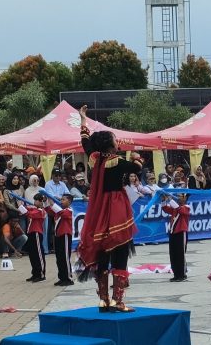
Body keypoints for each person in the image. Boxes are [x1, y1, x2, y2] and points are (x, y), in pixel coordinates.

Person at [76, 105, 143, 313]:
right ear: (110, 144)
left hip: (99, 210)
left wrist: (83, 119)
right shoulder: (117, 161)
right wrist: (137, 158)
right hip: (116, 208)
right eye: (115, 138)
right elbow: (137, 169)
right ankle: (117, 301)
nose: (117, 140)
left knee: (102, 253)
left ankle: (103, 300)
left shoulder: (95, 159)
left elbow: (85, 141)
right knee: (120, 251)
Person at [162, 192, 191, 282]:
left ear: (185, 198)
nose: (177, 197)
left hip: (181, 233)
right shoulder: (175, 208)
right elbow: (165, 209)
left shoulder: (187, 207)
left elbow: (180, 209)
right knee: (173, 254)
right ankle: (176, 274)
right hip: (173, 233)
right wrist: (163, 200)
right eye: (177, 196)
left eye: (179, 196)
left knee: (180, 254)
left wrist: (170, 199)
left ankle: (182, 274)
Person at [19, 193, 47, 282]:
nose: (35, 202)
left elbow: (29, 214)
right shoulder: (35, 209)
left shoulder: (41, 211)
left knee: (38, 254)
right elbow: (28, 209)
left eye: (36, 200)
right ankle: (35, 273)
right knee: (32, 255)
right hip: (31, 233)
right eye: (34, 200)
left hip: (37, 233)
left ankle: (41, 274)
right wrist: (21, 205)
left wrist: (21, 207)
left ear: (41, 202)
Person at [51, 194, 75, 286]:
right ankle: (62, 277)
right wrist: (48, 201)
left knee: (65, 257)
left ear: (69, 201)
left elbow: (62, 213)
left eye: (63, 199)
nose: (61, 201)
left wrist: (52, 203)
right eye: (61, 199)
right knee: (59, 258)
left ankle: (68, 278)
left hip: (65, 235)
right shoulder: (60, 211)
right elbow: (49, 210)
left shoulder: (69, 210)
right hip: (58, 235)